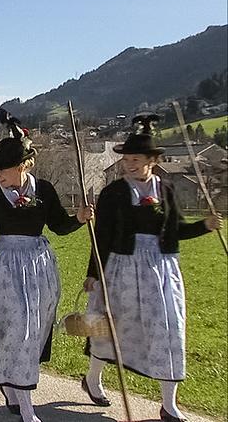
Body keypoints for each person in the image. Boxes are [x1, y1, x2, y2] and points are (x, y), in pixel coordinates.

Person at [82, 114, 223, 422]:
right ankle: (93, 379)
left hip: (161, 271)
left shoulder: (167, 190)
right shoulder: (114, 193)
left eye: (136, 159)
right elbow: (101, 236)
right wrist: (94, 273)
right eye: (126, 159)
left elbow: (176, 231)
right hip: (122, 269)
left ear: (151, 160)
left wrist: (205, 226)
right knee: (109, 329)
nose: (129, 164)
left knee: (170, 330)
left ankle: (169, 404)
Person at [0, 110, 92, 422]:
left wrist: (78, 219)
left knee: (34, 330)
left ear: (23, 166)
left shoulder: (44, 190)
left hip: (38, 268)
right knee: (14, 329)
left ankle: (12, 386)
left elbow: (58, 225)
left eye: (3, 169)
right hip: (6, 268)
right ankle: (25, 404)